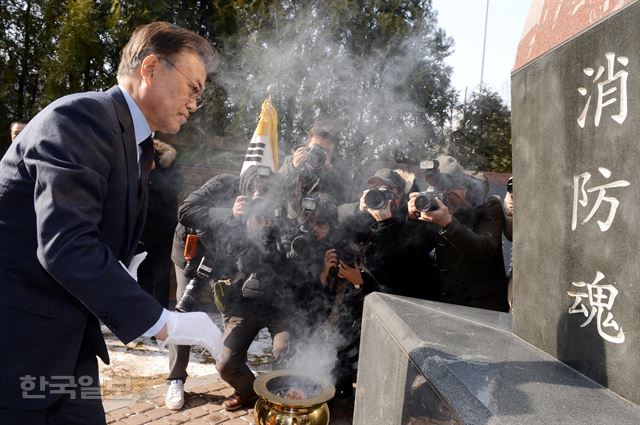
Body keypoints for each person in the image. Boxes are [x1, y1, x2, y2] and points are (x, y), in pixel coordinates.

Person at [0, 22, 221, 424]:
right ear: (151, 68)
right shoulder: (81, 118)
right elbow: (66, 245)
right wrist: (163, 322)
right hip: (18, 345)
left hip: (67, 345)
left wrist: (123, 265)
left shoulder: (131, 140)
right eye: (193, 87)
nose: (195, 103)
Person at [165, 171, 241, 410]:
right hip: (193, 253)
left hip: (226, 260)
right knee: (183, 313)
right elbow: (185, 211)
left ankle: (237, 373)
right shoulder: (223, 181)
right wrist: (231, 213)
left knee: (235, 311)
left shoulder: (267, 199)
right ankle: (176, 378)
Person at [408, 155, 509, 312]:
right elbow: (418, 249)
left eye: (450, 189)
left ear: (465, 186)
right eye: (440, 189)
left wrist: (447, 223)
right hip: (447, 303)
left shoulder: (488, 204)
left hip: (483, 308)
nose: (445, 195)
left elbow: (484, 248)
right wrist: (413, 219)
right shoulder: (434, 207)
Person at [138, 139, 182, 308]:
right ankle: (143, 317)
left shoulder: (168, 162)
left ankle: (160, 318)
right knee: (142, 274)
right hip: (141, 230)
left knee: (161, 278)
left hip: (164, 230)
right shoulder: (135, 156)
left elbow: (172, 191)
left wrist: (153, 175)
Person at [278, 124, 350, 211]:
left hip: (321, 220)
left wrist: (330, 174)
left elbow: (344, 201)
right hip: (290, 219)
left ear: (332, 154)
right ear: (306, 147)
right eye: (316, 148)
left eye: (326, 151)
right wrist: (293, 167)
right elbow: (275, 186)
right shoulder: (291, 161)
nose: (319, 154)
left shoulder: (339, 171)